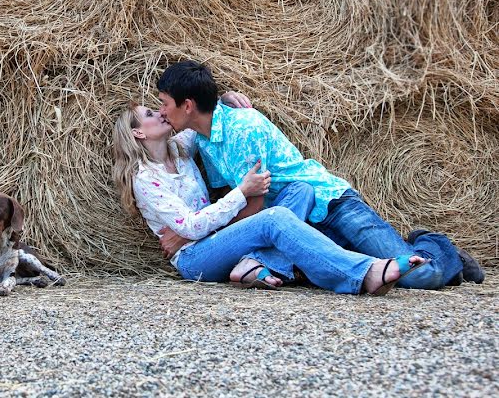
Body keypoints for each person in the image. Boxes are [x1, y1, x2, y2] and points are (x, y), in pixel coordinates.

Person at [155, 60, 485, 289]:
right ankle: (405, 248)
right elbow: (232, 196)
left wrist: (190, 235)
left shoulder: (244, 128)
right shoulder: (205, 140)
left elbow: (252, 208)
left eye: (164, 103)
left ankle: (435, 244)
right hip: (297, 224)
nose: (160, 112)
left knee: (418, 278)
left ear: (187, 105)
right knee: (384, 270)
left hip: (330, 203)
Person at [112, 102, 427, 295]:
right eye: (151, 114)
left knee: (301, 190)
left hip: (219, 236)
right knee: (273, 218)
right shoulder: (145, 180)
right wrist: (242, 191)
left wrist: (224, 98)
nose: (162, 112)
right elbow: (192, 229)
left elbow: (200, 117)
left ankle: (257, 264)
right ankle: (362, 273)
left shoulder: (180, 149)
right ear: (139, 133)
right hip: (196, 258)